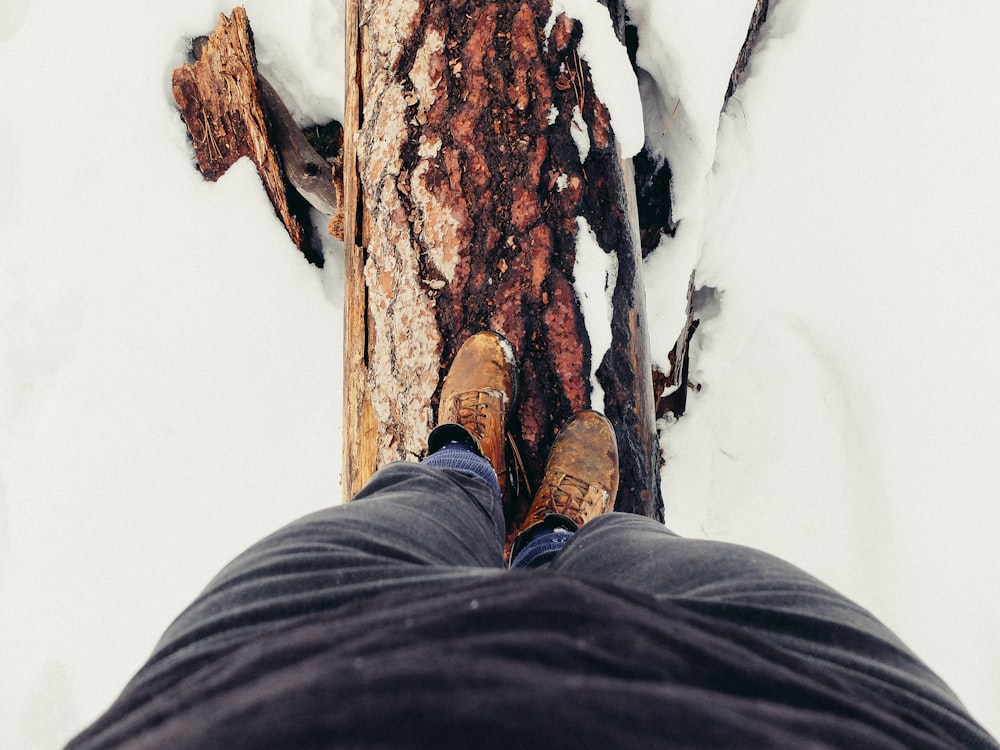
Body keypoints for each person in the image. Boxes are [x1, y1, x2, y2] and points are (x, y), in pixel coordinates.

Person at [68, 332, 997, 749]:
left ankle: (466, 470)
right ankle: (555, 538)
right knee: (638, 553)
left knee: (402, 518)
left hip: (253, 693)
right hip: (808, 702)